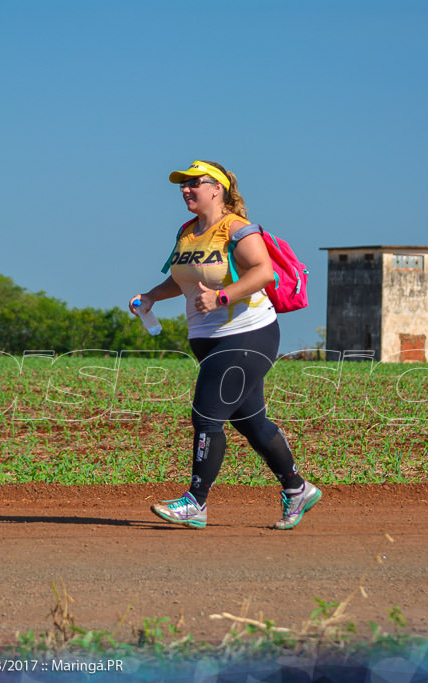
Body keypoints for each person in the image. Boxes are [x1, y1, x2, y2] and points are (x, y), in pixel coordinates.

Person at [129, 160, 321, 530]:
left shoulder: (236, 229)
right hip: (208, 340)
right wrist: (151, 296)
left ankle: (195, 503)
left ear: (217, 188)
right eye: (182, 185)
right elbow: (183, 278)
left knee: (206, 414)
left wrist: (221, 297)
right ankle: (298, 489)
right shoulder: (187, 231)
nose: (186, 189)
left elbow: (263, 272)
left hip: (248, 334)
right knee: (252, 422)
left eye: (194, 183)